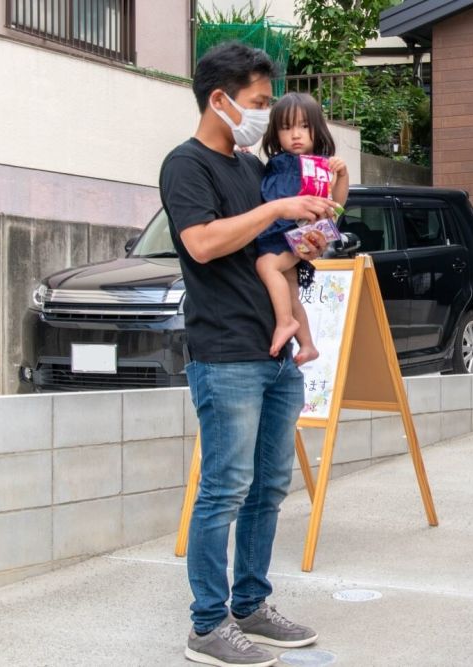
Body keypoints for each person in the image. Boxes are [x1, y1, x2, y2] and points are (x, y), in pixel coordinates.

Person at [159, 42, 337, 667]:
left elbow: (265, 243)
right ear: (220, 99)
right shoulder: (186, 165)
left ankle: (251, 604)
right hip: (226, 351)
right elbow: (203, 244)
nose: (264, 114)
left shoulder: (245, 165)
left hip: (276, 350)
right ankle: (207, 625)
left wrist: (303, 240)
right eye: (259, 102)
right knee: (225, 488)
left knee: (268, 486)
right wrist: (278, 205)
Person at [258, 92, 350, 360]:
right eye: (286, 128)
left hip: (291, 236)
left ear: (316, 129)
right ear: (276, 133)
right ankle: (308, 345)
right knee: (288, 290)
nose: (295, 135)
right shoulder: (277, 163)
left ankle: (285, 322)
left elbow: (338, 202)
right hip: (280, 233)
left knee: (266, 266)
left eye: (304, 126)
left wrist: (342, 174)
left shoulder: (319, 165)